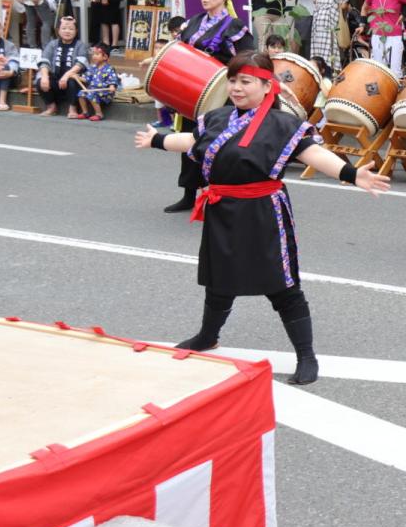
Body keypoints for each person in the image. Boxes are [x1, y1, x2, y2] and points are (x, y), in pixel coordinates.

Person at [133, 51, 390, 384]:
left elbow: (315, 154)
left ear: (266, 85)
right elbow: (193, 142)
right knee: (219, 280)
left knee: (282, 286)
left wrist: (353, 174)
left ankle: (306, 356)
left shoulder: (283, 125)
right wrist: (157, 140)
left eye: (245, 81)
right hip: (222, 209)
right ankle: (207, 336)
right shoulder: (218, 117)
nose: (237, 88)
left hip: (263, 212)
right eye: (233, 80)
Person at [166, 0, 256, 214]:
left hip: (221, 96)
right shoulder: (193, 22)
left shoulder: (235, 27)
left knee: (217, 144)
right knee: (189, 142)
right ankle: (188, 194)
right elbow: (178, 53)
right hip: (191, 93)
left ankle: (220, 195)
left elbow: (249, 60)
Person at [36, 16, 90, 117]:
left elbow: (81, 63)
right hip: (55, 79)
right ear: (58, 30)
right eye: (64, 28)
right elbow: (44, 60)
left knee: (73, 81)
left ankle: (73, 109)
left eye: (71, 29)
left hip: (71, 80)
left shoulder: (81, 45)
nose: (67, 31)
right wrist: (44, 76)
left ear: (76, 31)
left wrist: (67, 75)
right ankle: (51, 107)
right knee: (40, 81)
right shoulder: (52, 44)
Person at [310, 0, 350, 75]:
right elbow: (343, 5)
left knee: (318, 45)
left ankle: (317, 70)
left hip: (317, 16)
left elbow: (314, 0)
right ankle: (330, 73)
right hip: (329, 16)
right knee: (330, 45)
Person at [76, 43, 119, 121]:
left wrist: (112, 86)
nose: (94, 56)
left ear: (105, 57)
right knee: (81, 93)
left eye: (97, 54)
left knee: (91, 94)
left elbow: (112, 79)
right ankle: (85, 112)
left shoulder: (109, 68)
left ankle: (99, 114)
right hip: (93, 89)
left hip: (104, 91)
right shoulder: (92, 67)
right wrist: (77, 77)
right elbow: (87, 79)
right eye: (93, 54)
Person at [0, 36, 20, 111]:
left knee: (6, 67)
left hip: (7, 77)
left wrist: (10, 72)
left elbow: (14, 61)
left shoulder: (9, 45)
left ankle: (2, 101)